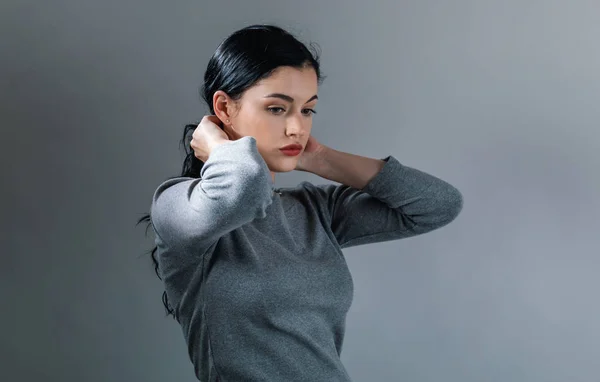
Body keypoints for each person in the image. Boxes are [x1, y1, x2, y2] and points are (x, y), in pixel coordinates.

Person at [138, 24, 463, 382]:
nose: (297, 128)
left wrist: (320, 159)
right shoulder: (176, 207)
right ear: (224, 108)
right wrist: (217, 148)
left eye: (307, 111)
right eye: (277, 109)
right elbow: (244, 188)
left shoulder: (314, 210)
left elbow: (438, 204)